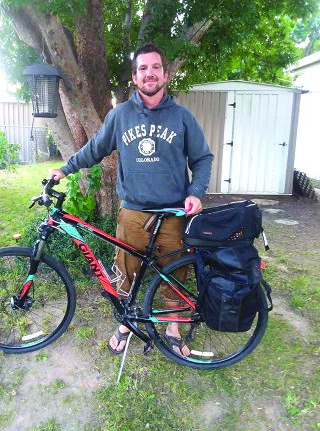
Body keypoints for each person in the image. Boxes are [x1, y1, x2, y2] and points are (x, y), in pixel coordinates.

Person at [49, 42, 213, 356]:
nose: (149, 73)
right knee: (126, 272)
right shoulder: (120, 115)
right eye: (142, 69)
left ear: (165, 74)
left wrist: (196, 193)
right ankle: (126, 323)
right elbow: (94, 148)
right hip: (133, 213)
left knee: (175, 273)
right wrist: (65, 168)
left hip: (173, 213)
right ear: (135, 77)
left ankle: (173, 328)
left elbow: (203, 158)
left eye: (155, 67)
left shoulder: (182, 117)